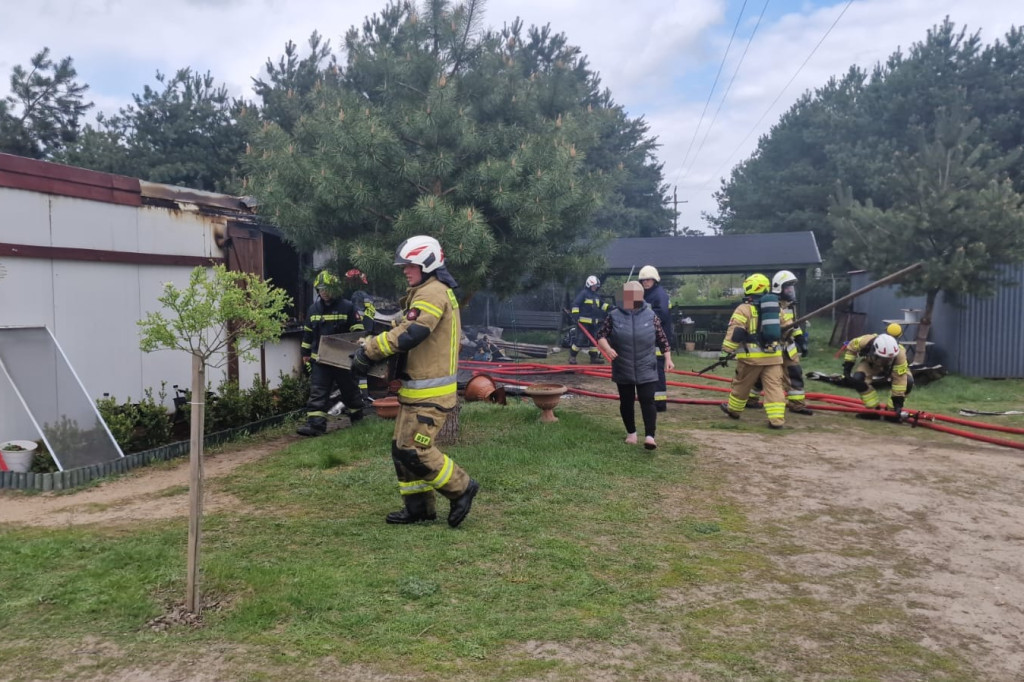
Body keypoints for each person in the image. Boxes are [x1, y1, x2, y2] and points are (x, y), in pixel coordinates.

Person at [350, 235, 480, 527]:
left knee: (414, 450)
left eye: (409, 266)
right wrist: (375, 338)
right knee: (401, 449)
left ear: (427, 264)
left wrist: (369, 352)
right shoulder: (425, 291)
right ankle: (419, 507)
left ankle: (462, 488)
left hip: (431, 394)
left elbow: (413, 333)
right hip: (418, 391)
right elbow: (406, 325)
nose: (404, 271)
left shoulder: (432, 293)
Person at [596, 281, 674, 450]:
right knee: (626, 402)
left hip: (646, 365)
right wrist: (608, 349)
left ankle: (650, 436)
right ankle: (631, 433)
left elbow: (662, 339)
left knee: (647, 400)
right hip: (623, 365)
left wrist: (668, 358)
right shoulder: (614, 315)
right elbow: (601, 335)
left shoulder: (651, 315)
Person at [296, 270, 366, 437]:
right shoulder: (313, 309)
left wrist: (356, 350)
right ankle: (315, 426)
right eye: (321, 289)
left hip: (342, 360)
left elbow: (358, 333)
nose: (324, 292)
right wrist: (305, 353)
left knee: (349, 389)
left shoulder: (348, 307)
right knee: (318, 391)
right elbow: (307, 334)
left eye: (327, 288)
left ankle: (357, 417)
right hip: (320, 360)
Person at [718, 273, 786, 429]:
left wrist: (726, 352)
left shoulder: (744, 309)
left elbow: (735, 332)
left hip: (751, 358)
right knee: (774, 387)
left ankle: (734, 410)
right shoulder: (776, 309)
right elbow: (785, 327)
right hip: (774, 357)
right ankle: (777, 420)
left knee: (742, 384)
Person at [842, 332, 913, 421]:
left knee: (908, 382)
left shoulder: (900, 355)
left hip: (893, 366)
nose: (886, 361)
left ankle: (891, 412)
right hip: (871, 364)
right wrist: (847, 369)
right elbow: (851, 348)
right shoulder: (865, 341)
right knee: (858, 379)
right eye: (884, 358)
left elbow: (900, 381)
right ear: (873, 350)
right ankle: (873, 410)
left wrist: (898, 405)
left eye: (889, 359)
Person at [772, 270, 813, 415]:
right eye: (788, 288)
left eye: (792, 288)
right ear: (779, 288)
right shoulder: (771, 305)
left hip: (788, 347)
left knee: (795, 373)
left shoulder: (790, 305)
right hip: (773, 347)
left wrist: (801, 340)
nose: (791, 291)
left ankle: (797, 405)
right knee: (763, 376)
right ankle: (750, 401)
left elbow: (794, 325)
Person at [639, 265, 674, 413]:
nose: (645, 282)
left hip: (659, 339)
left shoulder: (659, 295)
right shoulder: (647, 294)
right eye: (643, 280)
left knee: (658, 371)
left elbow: (662, 315)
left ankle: (660, 403)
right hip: (651, 338)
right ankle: (654, 399)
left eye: (648, 280)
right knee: (650, 370)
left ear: (655, 280)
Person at [345, 268, 378, 402]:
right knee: (361, 368)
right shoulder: (365, 295)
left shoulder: (357, 295)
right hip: (366, 332)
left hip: (361, 334)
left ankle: (361, 395)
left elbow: (357, 315)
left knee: (359, 367)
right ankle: (363, 395)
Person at [569, 275, 609, 365]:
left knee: (594, 341)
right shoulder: (583, 294)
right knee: (580, 340)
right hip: (583, 323)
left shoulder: (596, 296)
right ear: (589, 285)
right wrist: (575, 315)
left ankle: (594, 358)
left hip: (594, 323)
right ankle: (572, 357)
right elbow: (576, 304)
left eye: (596, 286)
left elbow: (602, 305)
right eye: (594, 286)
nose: (595, 287)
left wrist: (611, 308)